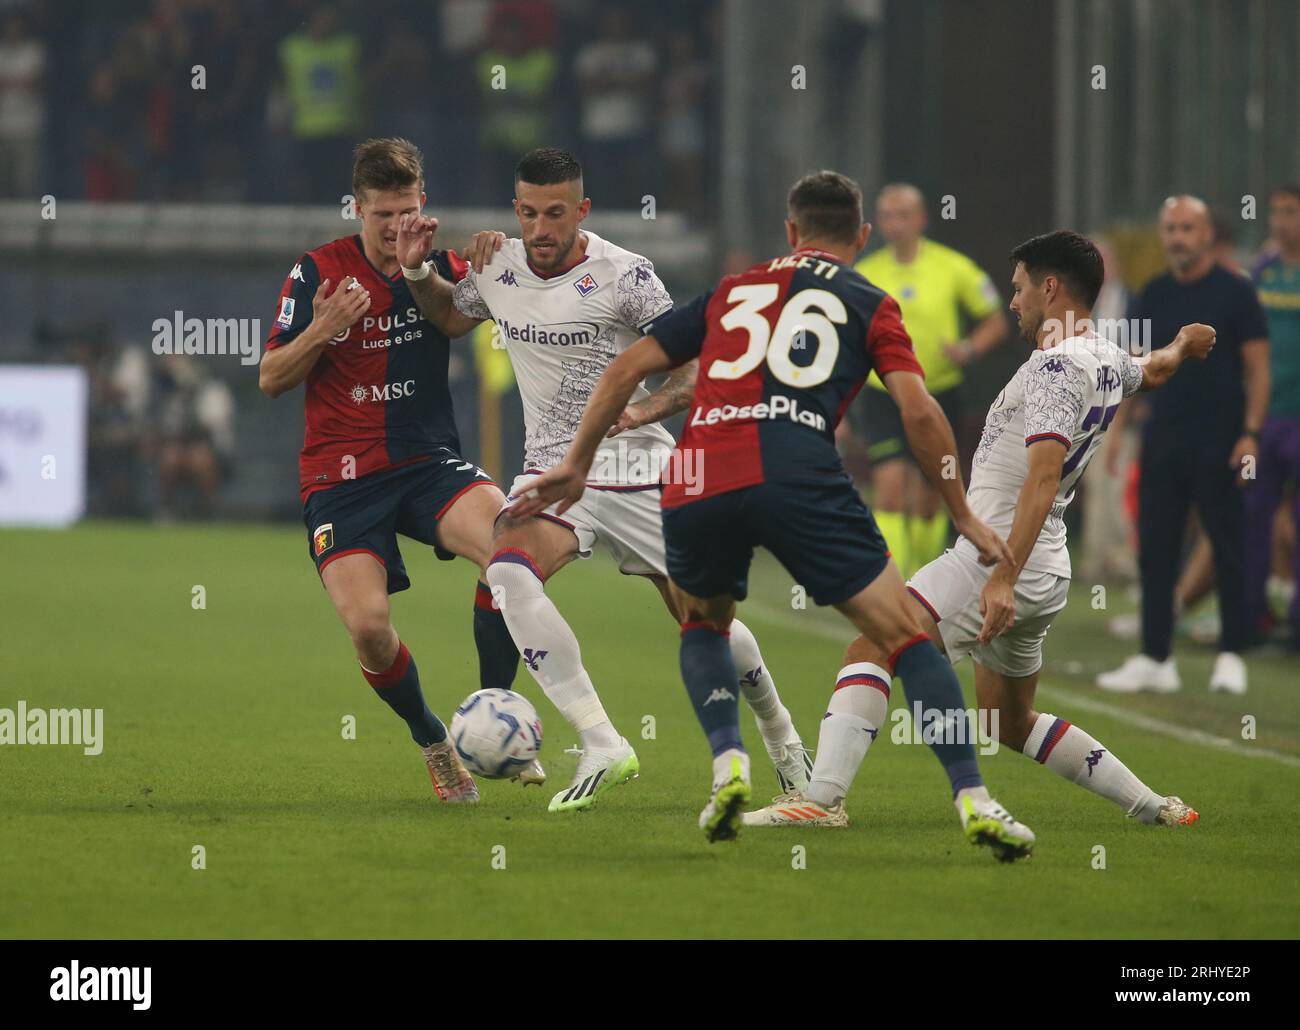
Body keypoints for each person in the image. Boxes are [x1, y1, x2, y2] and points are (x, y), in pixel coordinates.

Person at [516, 170, 1035, 858]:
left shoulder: (734, 288)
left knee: (702, 623)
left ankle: (729, 764)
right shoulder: (869, 299)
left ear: (789, 232)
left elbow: (623, 370)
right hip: (799, 471)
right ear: (862, 237)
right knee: (906, 635)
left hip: (701, 470)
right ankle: (974, 798)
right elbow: (918, 409)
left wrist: (578, 462)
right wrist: (961, 510)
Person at [398, 147, 813, 813]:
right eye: (529, 213)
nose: (540, 229)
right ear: (516, 210)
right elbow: (449, 315)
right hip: (555, 472)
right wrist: (417, 267)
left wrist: (647, 407)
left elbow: (698, 362)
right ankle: (602, 742)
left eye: (555, 214)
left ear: (582, 210)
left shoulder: (625, 274)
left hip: (638, 468)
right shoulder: (498, 263)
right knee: (506, 572)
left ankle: (786, 744)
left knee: (702, 621)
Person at [763, 231, 1212, 830]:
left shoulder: (1056, 365)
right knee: (1007, 720)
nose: (1013, 302)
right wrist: (1182, 344)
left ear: (1051, 288)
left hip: (996, 559)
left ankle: (820, 801)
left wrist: (1002, 577)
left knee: (872, 647)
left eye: (1021, 287)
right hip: (1048, 567)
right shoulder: (1103, 354)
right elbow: (1149, 370)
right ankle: (1155, 807)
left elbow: (1043, 477)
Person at [258, 138, 523, 804]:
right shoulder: (316, 273)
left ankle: (493, 717)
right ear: (357, 208)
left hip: (426, 460)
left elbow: (470, 316)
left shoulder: (437, 263)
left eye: (406, 212)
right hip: (340, 480)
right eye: (382, 216)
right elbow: (270, 379)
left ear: (422, 203)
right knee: (370, 628)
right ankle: (435, 741)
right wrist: (321, 331)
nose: (395, 228)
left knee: (512, 552)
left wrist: (497, 249)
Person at [1098, 197, 1270, 695]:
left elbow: (1257, 369)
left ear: (1206, 234)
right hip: (1162, 438)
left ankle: (1233, 653)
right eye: (1170, 228)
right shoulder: (1152, 292)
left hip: (1221, 438)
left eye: (1187, 228)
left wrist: (1251, 433)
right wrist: (1118, 427)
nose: (1177, 237)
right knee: (1156, 547)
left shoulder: (1237, 292)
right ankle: (1155, 656)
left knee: (1227, 541)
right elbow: (1134, 362)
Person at [850, 184, 1007, 579]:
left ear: (922, 219)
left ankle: (923, 578)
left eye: (904, 215)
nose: (896, 224)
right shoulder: (867, 272)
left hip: (938, 392)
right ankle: (894, 584)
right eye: (887, 216)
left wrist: (969, 349)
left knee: (927, 498)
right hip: (883, 392)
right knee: (888, 488)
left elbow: (995, 319)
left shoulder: (952, 267)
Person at [1245, 184, 1300, 649]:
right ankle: (1252, 616)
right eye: (1276, 212)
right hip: (1265, 420)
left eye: (1290, 212)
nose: (1281, 221)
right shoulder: (1261, 271)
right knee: (1254, 517)